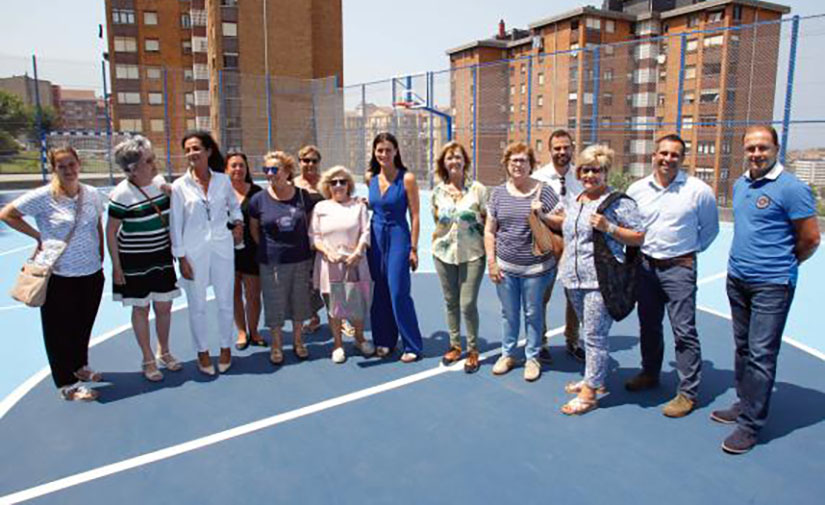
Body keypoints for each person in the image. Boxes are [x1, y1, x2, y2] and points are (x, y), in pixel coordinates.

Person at [714, 125, 820, 454]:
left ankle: (750, 425)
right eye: (751, 148)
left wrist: (784, 265)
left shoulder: (792, 188)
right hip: (738, 279)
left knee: (761, 354)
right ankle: (745, 404)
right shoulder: (741, 184)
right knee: (743, 348)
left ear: (776, 148)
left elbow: (810, 238)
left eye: (763, 148)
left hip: (772, 284)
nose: (756, 154)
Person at [624, 133, 719, 418]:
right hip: (646, 267)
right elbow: (631, 225)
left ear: (682, 158)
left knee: (684, 330)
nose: (667, 159)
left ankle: (688, 393)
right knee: (648, 325)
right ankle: (650, 373)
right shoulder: (637, 189)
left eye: (674, 154)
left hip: (679, 268)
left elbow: (710, 230)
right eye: (663, 153)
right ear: (654, 155)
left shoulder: (698, 191)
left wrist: (687, 254)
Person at [0, 146, 105, 401]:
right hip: (60, 274)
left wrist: (101, 251)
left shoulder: (91, 194)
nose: (68, 170)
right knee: (59, 330)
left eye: (72, 164)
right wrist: (38, 236)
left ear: (79, 164)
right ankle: (66, 383)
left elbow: (97, 224)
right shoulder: (44, 197)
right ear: (53, 169)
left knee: (83, 324)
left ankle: (80, 365)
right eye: (62, 166)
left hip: (91, 272)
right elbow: (7, 214)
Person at [552, 145, 644, 415]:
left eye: (596, 170)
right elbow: (566, 228)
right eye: (585, 169)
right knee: (588, 331)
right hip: (572, 278)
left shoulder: (618, 202)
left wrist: (609, 227)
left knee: (595, 336)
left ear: (606, 172)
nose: (590, 175)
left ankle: (590, 392)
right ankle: (594, 378)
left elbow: (639, 236)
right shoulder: (576, 198)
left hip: (599, 280)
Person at [108, 136, 183, 382]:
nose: (154, 164)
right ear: (133, 168)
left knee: (164, 306)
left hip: (161, 257)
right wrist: (116, 267)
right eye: (149, 160)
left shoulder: (161, 184)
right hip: (134, 260)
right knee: (141, 308)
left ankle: (165, 350)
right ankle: (147, 358)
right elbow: (111, 232)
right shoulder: (121, 194)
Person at [170, 130, 243, 376]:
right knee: (197, 305)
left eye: (196, 148)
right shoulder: (180, 186)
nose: (192, 153)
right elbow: (175, 224)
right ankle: (202, 352)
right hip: (193, 254)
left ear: (208, 151)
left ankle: (225, 348)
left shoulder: (223, 181)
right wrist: (181, 258)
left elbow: (234, 207)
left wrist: (239, 222)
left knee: (225, 303)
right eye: (188, 149)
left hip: (222, 249)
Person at [484, 142, 559, 382]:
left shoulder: (544, 191)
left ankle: (532, 358)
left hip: (537, 269)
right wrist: (492, 263)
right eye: (513, 160)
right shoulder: (497, 194)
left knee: (533, 312)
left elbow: (562, 221)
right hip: (506, 267)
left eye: (523, 160)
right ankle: (507, 354)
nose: (518, 165)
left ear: (531, 165)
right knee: (509, 314)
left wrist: (543, 214)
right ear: (507, 164)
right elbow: (490, 231)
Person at [249, 151, 318, 364]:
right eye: (267, 170)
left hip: (300, 260)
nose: (271, 174)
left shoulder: (301, 196)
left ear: (287, 171)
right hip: (272, 262)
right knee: (274, 304)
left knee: (299, 303)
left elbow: (308, 223)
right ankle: (277, 345)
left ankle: (298, 342)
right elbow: (254, 230)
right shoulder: (258, 200)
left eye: (275, 169)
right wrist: (272, 249)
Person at [366, 132, 424, 362]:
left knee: (398, 291)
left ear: (396, 151)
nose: (384, 154)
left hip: (399, 235)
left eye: (388, 150)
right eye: (380, 150)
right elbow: (375, 205)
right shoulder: (369, 177)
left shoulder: (407, 178)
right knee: (378, 291)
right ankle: (384, 341)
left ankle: (412, 344)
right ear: (374, 152)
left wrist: (414, 248)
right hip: (375, 236)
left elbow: (416, 215)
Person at [308, 166, 376, 363]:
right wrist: (327, 252)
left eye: (342, 182)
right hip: (329, 263)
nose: (338, 185)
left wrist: (357, 252)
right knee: (334, 306)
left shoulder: (358, 206)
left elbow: (365, 231)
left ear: (349, 185)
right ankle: (338, 344)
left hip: (354, 261)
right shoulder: (321, 208)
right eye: (334, 182)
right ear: (327, 186)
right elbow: (315, 235)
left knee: (356, 305)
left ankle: (359, 339)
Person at [431, 141, 487, 373]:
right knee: (450, 302)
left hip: (473, 253)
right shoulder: (437, 192)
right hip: (443, 253)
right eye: (449, 158)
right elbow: (438, 222)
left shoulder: (478, 190)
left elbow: (487, 220)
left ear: (465, 160)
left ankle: (473, 350)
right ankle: (455, 346)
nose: (454, 161)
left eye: (457, 157)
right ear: (443, 164)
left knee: (467, 303)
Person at [531, 129, 585, 363]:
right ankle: (540, 342)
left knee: (575, 296)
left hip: (576, 241)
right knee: (542, 295)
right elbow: (534, 214)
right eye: (557, 148)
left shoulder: (582, 176)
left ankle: (572, 340)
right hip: (548, 239)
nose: (562, 152)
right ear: (550, 150)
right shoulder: (539, 178)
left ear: (573, 148)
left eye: (566, 147)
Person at [226, 151, 266, 350]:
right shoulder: (220, 192)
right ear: (226, 169)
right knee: (234, 293)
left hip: (252, 251)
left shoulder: (257, 192)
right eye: (233, 165)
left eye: (241, 165)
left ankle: (254, 331)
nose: (238, 169)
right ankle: (241, 332)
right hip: (227, 252)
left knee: (252, 294)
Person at [293, 145, 327, 335]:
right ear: (300, 162)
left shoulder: (327, 183)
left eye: (314, 161)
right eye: (306, 160)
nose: (310, 164)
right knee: (307, 281)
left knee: (331, 278)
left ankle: (340, 316)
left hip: (326, 240)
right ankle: (314, 317)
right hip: (301, 240)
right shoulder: (293, 184)